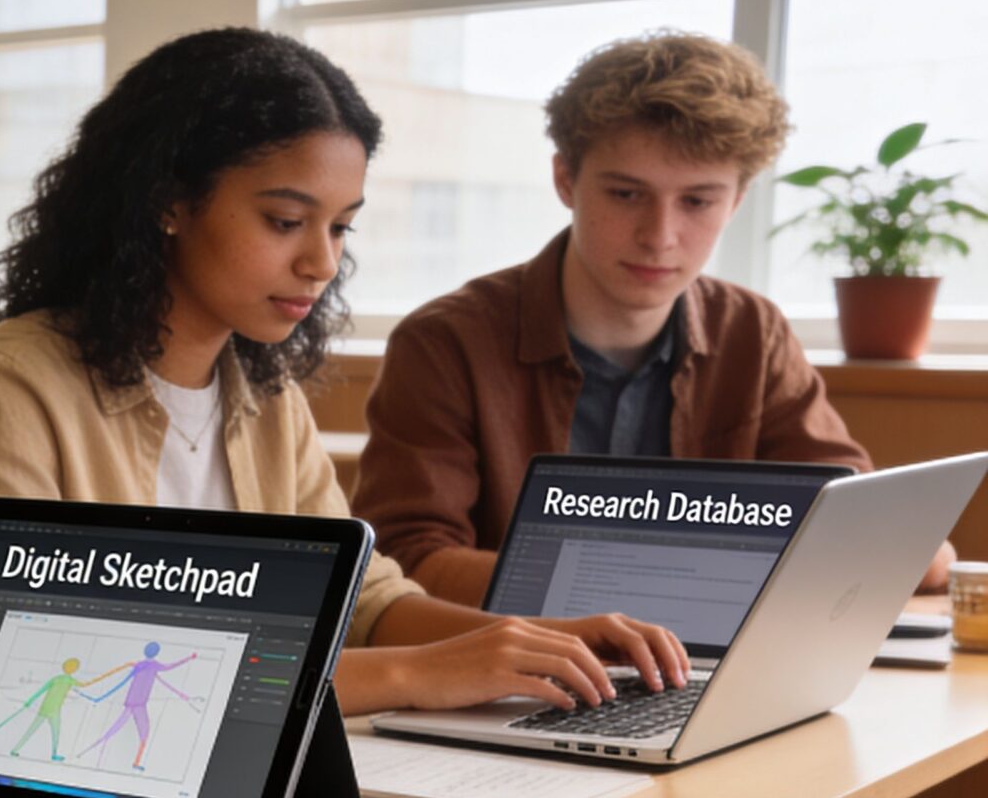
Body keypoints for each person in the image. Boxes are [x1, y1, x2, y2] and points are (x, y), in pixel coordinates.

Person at [0, 27, 690, 722]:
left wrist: (531, 639)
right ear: (168, 201)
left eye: (340, 228)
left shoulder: (264, 395)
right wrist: (413, 675)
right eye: (286, 220)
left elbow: (362, 604)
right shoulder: (11, 387)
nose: (322, 262)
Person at [352, 31, 954, 605]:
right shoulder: (445, 342)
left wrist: (903, 548)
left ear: (736, 201)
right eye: (626, 194)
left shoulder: (753, 330)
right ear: (565, 179)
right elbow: (403, 561)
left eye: (697, 201)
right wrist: (661, 585)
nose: (660, 236)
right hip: (512, 661)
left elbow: (877, 539)